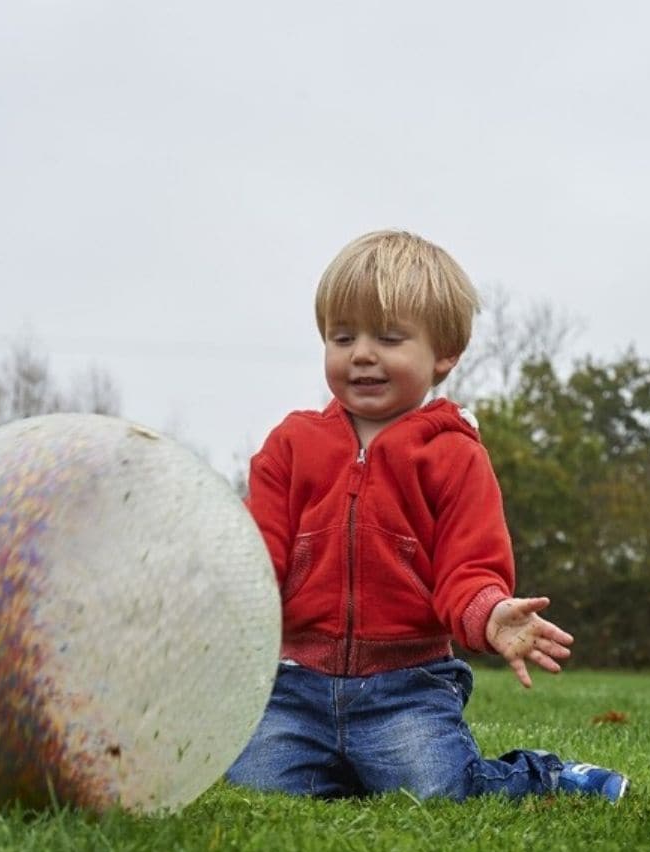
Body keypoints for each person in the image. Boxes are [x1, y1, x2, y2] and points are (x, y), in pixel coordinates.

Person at [227, 230, 629, 804]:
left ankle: (546, 775)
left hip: (407, 689)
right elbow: (256, 550)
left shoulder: (454, 455)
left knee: (439, 789)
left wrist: (489, 614)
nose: (362, 353)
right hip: (295, 686)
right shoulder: (290, 446)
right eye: (343, 337)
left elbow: (470, 568)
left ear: (444, 356)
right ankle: (346, 769)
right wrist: (217, 585)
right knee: (257, 786)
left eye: (388, 338)